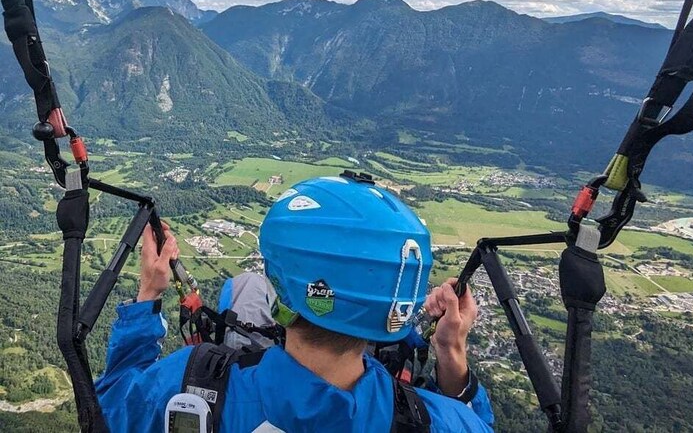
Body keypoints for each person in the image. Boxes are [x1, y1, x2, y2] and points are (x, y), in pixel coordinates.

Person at [96, 175, 495, 432]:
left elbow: (110, 405)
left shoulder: (188, 382)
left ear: (283, 301)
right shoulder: (439, 421)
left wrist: (149, 292)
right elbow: (477, 423)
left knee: (243, 289)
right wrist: (450, 351)